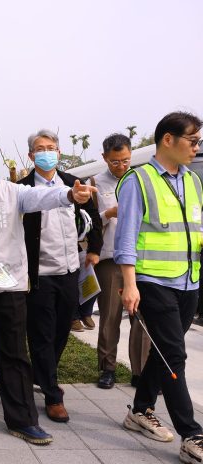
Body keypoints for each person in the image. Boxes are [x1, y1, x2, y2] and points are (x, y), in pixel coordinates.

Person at [0, 138, 96, 445]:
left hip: (9, 286)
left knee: (14, 352)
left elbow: (43, 197)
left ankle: (22, 419)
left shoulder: (14, 192)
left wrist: (69, 194)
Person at [116, 112, 203, 462]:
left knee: (167, 350)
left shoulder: (194, 181)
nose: (196, 147)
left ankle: (140, 409)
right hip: (152, 282)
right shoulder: (140, 180)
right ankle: (192, 434)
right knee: (176, 355)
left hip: (188, 279)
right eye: (192, 141)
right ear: (168, 139)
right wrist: (129, 285)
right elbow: (126, 239)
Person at [17, 129, 102, 423]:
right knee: (40, 332)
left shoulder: (73, 183)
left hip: (70, 270)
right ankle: (53, 395)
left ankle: (42, 374)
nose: (46, 152)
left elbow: (95, 216)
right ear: (31, 156)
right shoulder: (22, 188)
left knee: (62, 330)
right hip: (39, 274)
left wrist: (95, 249)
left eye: (51, 147)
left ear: (58, 151)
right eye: (40, 148)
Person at [91, 133, 150, 389]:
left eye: (125, 160)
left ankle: (140, 371)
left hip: (140, 259)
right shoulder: (95, 183)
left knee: (141, 318)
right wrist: (108, 213)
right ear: (105, 158)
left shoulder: (141, 179)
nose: (121, 166)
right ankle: (108, 368)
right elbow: (89, 223)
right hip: (110, 258)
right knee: (110, 316)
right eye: (115, 161)